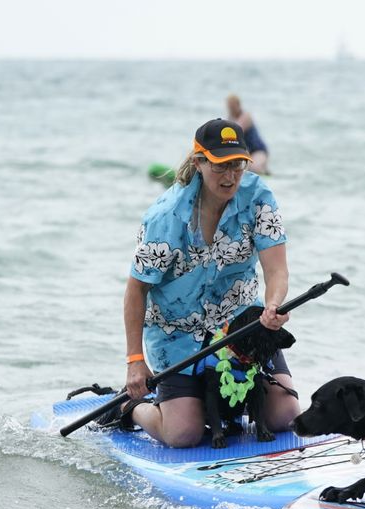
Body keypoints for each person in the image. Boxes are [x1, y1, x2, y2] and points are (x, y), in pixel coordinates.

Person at [117, 118, 300, 447]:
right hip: (178, 334)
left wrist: (273, 304)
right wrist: (135, 361)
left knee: (285, 416)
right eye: (219, 167)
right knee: (183, 435)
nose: (230, 177)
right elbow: (136, 289)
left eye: (237, 166)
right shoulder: (166, 217)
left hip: (240, 325)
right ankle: (131, 406)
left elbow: (277, 271)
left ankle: (230, 402)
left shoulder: (259, 197)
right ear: (199, 161)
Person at [226, 94, 270, 175]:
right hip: (246, 153)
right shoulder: (230, 119)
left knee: (254, 169)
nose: (231, 109)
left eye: (232, 106)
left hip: (258, 150)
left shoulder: (246, 116)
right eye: (229, 107)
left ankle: (264, 172)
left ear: (238, 105)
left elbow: (237, 131)